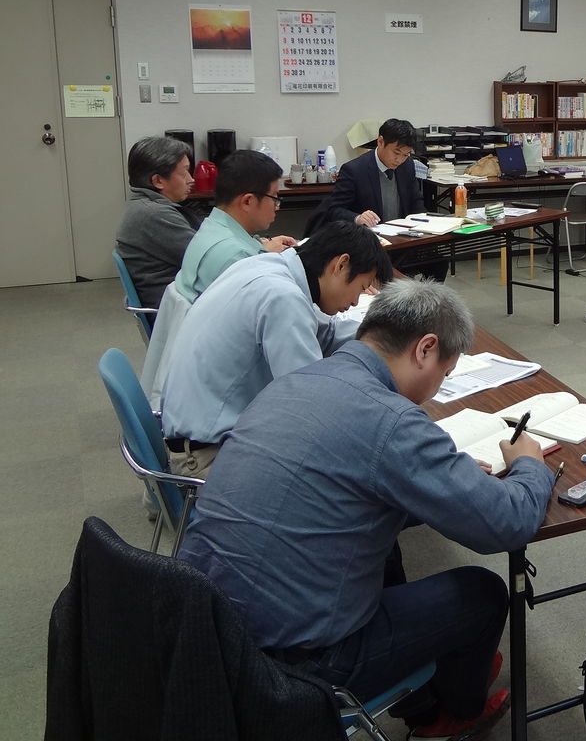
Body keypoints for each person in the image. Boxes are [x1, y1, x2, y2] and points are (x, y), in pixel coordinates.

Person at [178, 278, 552, 739]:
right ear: (425, 349)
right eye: (446, 373)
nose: (438, 387)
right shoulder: (391, 420)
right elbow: (507, 523)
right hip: (289, 667)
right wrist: (529, 464)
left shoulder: (295, 381)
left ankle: (424, 696)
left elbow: (340, 489)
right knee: (484, 591)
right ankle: (454, 716)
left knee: (386, 549)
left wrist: (438, 484)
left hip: (205, 628)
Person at [160, 221, 393, 478]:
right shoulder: (282, 297)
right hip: (209, 456)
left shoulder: (268, 267)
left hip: (201, 437)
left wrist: (388, 334)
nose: (356, 302)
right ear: (341, 265)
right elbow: (313, 404)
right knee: (356, 476)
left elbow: (326, 334)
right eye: (362, 287)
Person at [307, 117, 447, 280]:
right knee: (393, 275)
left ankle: (422, 296)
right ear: (380, 141)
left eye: (406, 154)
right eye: (396, 153)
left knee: (439, 262)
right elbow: (334, 210)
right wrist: (358, 218)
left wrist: (425, 222)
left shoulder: (407, 165)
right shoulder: (354, 170)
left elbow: (416, 201)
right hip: (371, 245)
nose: (400, 160)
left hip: (403, 239)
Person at [174, 149, 297, 301]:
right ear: (248, 201)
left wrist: (261, 247)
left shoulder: (211, 228)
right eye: (274, 198)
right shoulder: (238, 258)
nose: (277, 206)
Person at [114, 136, 197, 307]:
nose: (191, 179)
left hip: (172, 299)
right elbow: (206, 259)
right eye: (184, 173)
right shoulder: (155, 214)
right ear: (158, 181)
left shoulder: (142, 204)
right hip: (177, 307)